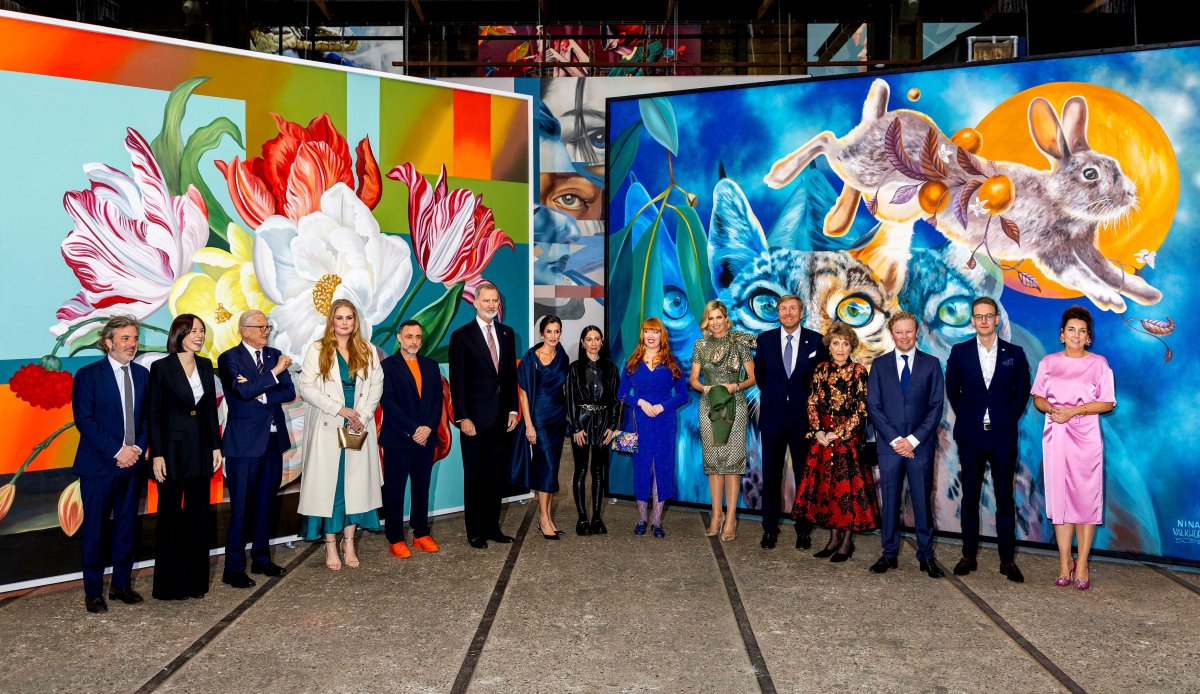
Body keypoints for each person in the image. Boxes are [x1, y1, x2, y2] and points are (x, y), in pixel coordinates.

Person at [945, 297, 1031, 583]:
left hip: (1003, 437)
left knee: (1005, 499)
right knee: (969, 497)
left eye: (988, 316)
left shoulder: (1015, 354)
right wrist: (969, 418)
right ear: (972, 320)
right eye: (978, 316)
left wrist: (1007, 419)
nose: (983, 320)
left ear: (996, 319)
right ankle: (968, 555)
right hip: (970, 436)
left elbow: (1022, 392)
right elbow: (953, 391)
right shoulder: (959, 353)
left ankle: (1007, 560)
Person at [1032, 306, 1115, 591]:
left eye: (1082, 331)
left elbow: (1106, 403)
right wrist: (1053, 409)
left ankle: (1082, 565)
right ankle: (1064, 561)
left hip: (1086, 437)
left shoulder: (1099, 364)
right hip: (1056, 434)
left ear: (1088, 337)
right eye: (1071, 330)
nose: (1076, 335)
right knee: (1060, 500)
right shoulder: (1048, 363)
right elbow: (1038, 398)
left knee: (1085, 499)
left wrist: (1075, 411)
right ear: (1062, 335)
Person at [297, 299, 384, 570]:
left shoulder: (367, 350)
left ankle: (349, 542)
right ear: (331, 321)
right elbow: (307, 387)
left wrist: (362, 416)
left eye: (349, 318)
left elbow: (376, 385)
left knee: (354, 487)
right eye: (339, 318)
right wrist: (339, 409)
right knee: (331, 488)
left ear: (355, 321)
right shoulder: (317, 349)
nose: (344, 322)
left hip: (357, 425)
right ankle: (331, 545)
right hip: (329, 423)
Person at [71, 316, 148, 613]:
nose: (132, 344)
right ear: (108, 342)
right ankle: (93, 592)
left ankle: (121, 585)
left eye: (134, 338)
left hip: (132, 465)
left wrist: (137, 449)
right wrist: (118, 451)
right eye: (125, 338)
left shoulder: (143, 375)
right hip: (99, 466)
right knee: (95, 529)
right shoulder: (88, 375)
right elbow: (85, 421)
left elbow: (146, 420)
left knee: (127, 527)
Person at [217, 310, 295, 588]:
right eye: (261, 327)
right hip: (244, 445)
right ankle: (233, 568)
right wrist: (273, 375)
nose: (266, 331)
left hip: (273, 443)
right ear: (244, 330)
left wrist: (259, 390)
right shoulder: (229, 358)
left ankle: (261, 559)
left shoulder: (274, 353)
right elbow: (241, 393)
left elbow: (288, 392)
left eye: (268, 326)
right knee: (241, 508)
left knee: (265, 504)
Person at [148, 314, 222, 600]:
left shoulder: (204, 365)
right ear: (179, 333)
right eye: (193, 331)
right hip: (172, 449)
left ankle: (196, 582)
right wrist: (158, 454)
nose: (199, 335)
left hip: (200, 447)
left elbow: (208, 411)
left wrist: (216, 446)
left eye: (202, 331)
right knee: (169, 515)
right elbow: (154, 414)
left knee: (198, 515)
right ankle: (168, 585)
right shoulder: (161, 367)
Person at [866, 311, 945, 578]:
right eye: (899, 332)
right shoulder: (879, 365)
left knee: (922, 502)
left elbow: (935, 408)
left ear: (916, 332)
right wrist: (895, 440)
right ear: (892, 333)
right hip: (890, 446)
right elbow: (874, 407)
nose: (904, 336)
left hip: (919, 446)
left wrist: (912, 440)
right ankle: (889, 554)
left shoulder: (931, 364)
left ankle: (926, 556)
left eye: (908, 331)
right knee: (889, 502)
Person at [793, 323, 878, 562]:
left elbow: (862, 410)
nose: (840, 348)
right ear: (829, 346)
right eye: (836, 343)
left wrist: (838, 433)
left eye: (845, 344)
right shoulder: (820, 369)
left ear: (852, 346)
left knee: (847, 492)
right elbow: (811, 402)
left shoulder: (859, 371)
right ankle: (832, 539)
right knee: (827, 489)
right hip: (822, 440)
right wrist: (818, 431)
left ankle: (847, 542)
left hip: (847, 440)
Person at [753, 294, 828, 550]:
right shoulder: (765, 341)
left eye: (793, 309)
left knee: (803, 477)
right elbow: (761, 376)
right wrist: (778, 397)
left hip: (803, 421)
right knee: (771, 477)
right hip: (773, 419)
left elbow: (821, 379)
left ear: (801, 312)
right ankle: (769, 529)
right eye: (783, 309)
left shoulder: (817, 341)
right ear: (778, 312)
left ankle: (804, 531)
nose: (788, 313)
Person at [448, 281, 519, 549]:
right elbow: (458, 381)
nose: (491, 305)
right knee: (475, 477)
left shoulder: (507, 334)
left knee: (496, 477)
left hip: (502, 419)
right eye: (486, 301)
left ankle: (492, 528)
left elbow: (509, 376)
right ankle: (475, 531)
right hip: (474, 422)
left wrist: (513, 409)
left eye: (494, 301)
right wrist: (462, 417)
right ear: (475, 303)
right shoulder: (462, 336)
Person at [689, 300, 756, 542]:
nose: (715, 322)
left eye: (719, 317)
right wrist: (704, 388)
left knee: (733, 462)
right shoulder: (701, 344)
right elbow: (693, 379)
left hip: (734, 405)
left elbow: (752, 377)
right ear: (706, 320)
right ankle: (716, 515)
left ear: (726, 318)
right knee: (714, 461)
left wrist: (734, 385)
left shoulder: (739, 343)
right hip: (709, 406)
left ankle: (731, 517)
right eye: (711, 318)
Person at [617, 317, 689, 538]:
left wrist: (662, 405)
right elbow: (621, 394)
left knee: (662, 469)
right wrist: (640, 402)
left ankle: (657, 521)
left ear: (661, 335)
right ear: (642, 335)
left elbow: (684, 395)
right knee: (641, 469)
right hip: (640, 422)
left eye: (655, 332)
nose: (650, 336)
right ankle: (641, 519)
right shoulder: (632, 362)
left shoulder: (672, 362)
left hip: (665, 422)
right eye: (647, 331)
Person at [379, 320, 444, 559]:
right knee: (395, 491)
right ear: (399, 338)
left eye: (417, 336)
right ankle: (395, 538)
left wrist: (427, 427)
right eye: (409, 336)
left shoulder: (430, 365)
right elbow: (388, 402)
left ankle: (420, 534)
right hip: (398, 439)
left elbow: (437, 400)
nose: (414, 341)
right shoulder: (387, 366)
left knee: (422, 489)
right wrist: (413, 429)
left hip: (425, 439)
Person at [511, 315, 570, 539]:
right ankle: (544, 519)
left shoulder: (562, 357)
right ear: (542, 333)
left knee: (552, 467)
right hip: (538, 418)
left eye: (557, 332)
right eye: (549, 332)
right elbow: (523, 394)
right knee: (545, 466)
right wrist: (528, 425)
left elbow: (565, 390)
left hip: (557, 417)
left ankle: (547, 517)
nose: (553, 336)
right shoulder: (531, 358)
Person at [565, 325, 620, 536]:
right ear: (582, 342)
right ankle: (582, 519)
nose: (594, 343)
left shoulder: (611, 368)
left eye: (597, 339)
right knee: (580, 470)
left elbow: (615, 400)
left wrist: (612, 426)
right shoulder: (574, 368)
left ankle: (596, 518)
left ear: (602, 342)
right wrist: (575, 427)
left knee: (598, 471)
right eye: (589, 339)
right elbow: (569, 400)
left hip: (603, 424)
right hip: (582, 423)